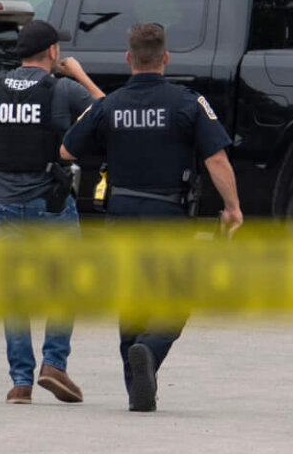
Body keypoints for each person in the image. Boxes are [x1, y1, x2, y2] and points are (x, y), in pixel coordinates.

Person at [59, 22, 244, 412]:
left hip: (121, 214)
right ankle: (151, 349)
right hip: (169, 214)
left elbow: (67, 151)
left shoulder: (110, 105)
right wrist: (232, 208)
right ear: (166, 58)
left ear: (129, 59)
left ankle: (137, 389)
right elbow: (216, 159)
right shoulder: (188, 102)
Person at [0, 18, 105, 405]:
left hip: (5, 210)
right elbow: (108, 114)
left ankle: (20, 381)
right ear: (53, 52)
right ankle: (54, 364)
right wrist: (82, 76)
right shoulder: (64, 90)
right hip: (52, 208)